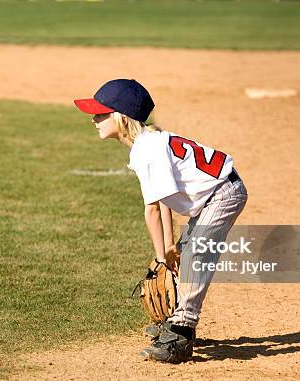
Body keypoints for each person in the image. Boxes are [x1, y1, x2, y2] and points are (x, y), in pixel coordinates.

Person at [74, 79, 248, 363]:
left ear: (121, 117)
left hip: (224, 193)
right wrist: (168, 246)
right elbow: (164, 199)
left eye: (101, 113)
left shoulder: (147, 150)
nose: (94, 119)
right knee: (184, 251)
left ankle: (181, 331)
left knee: (195, 255)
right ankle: (178, 321)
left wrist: (160, 257)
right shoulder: (147, 143)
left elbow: (152, 210)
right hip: (212, 195)